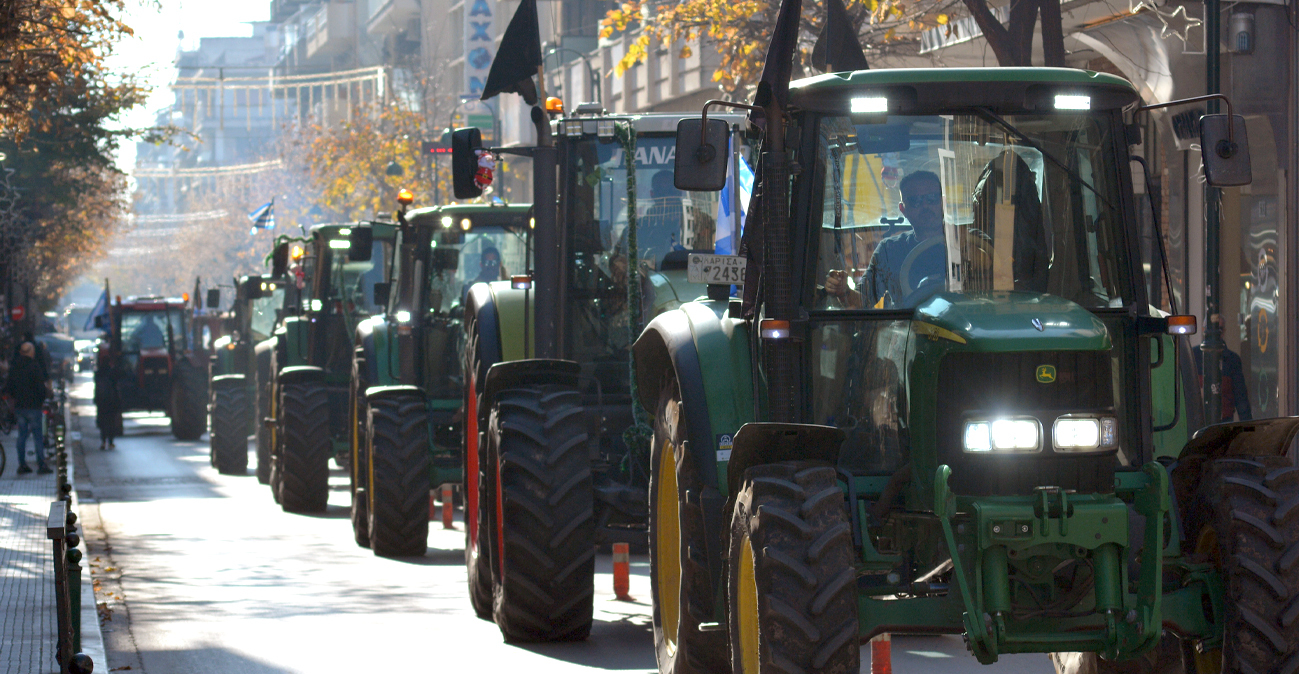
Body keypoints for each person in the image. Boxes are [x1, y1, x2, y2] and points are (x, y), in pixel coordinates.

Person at [827, 170, 948, 309]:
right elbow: (864, 300)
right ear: (903, 209)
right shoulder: (889, 250)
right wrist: (844, 291)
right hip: (907, 328)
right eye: (915, 201)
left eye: (932, 198)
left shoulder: (969, 243)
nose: (925, 206)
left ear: (942, 202)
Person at [6, 341, 51, 474]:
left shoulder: (15, 367)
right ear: (32, 352)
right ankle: (41, 464)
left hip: (20, 407)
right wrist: (41, 399)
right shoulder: (34, 366)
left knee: (22, 436)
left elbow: (10, 386)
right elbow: (40, 387)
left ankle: (22, 464)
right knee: (38, 436)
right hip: (34, 407)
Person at [94, 343, 123, 449]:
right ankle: (110, 442)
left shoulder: (98, 373)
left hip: (102, 401)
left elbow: (97, 387)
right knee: (111, 422)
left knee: (103, 422)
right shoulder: (113, 372)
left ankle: (103, 442)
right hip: (111, 401)